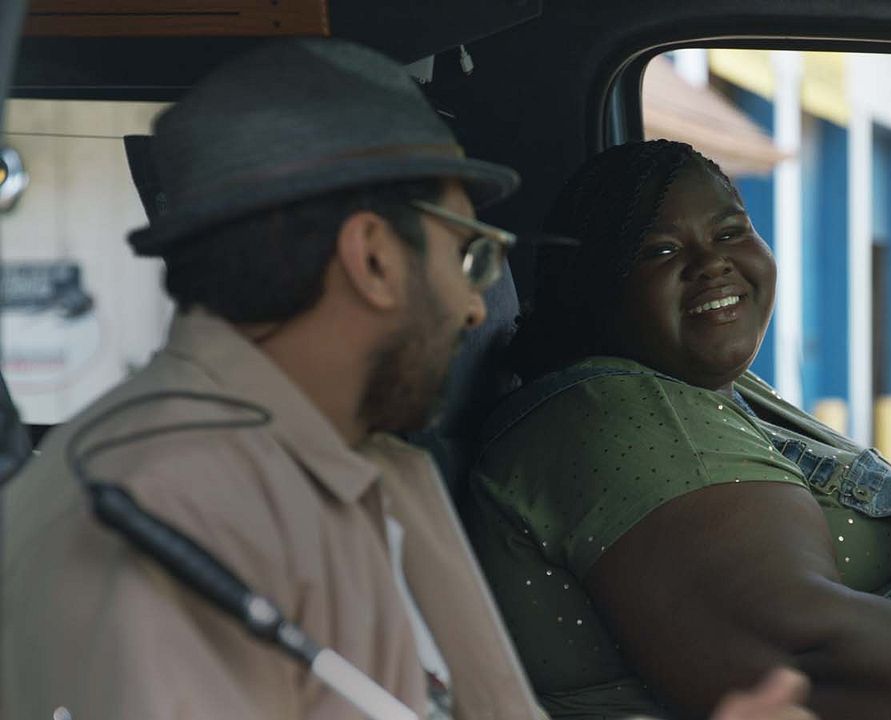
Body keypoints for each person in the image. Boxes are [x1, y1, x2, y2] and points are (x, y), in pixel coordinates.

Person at [0, 42, 812, 720]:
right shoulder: (157, 517)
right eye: (469, 259)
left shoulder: (386, 472)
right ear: (376, 260)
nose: (475, 308)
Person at [466, 140, 891, 720]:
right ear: (596, 289)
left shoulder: (708, 390)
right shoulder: (622, 414)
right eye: (660, 249)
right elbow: (805, 656)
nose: (713, 263)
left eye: (730, 232)